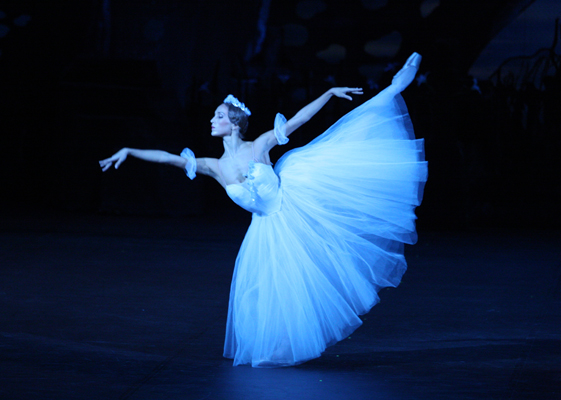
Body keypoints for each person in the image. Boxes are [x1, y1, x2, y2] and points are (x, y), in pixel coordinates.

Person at [100, 53, 427, 368]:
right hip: (264, 232)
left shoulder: (259, 146)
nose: (212, 120)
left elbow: (300, 119)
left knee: (306, 279)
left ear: (234, 122)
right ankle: (283, 347)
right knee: (271, 291)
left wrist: (328, 92)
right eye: (214, 115)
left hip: (294, 213)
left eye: (219, 116)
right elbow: (168, 158)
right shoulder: (214, 166)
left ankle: (393, 89)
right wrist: (129, 150)